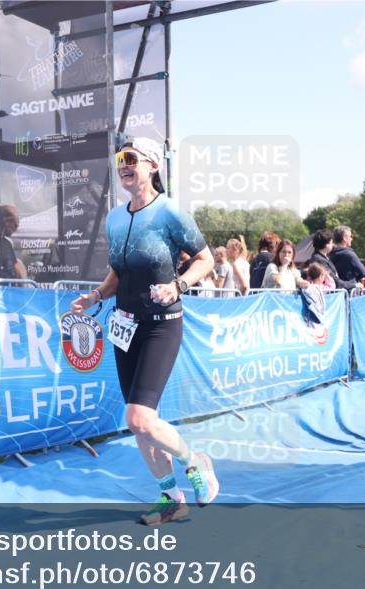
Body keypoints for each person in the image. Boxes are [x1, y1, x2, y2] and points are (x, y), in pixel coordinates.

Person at [70, 137, 218, 525]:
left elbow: (206, 259)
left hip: (161, 325)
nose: (124, 164)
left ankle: (194, 462)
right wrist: (97, 296)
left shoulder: (170, 212)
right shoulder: (115, 218)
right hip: (125, 326)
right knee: (142, 426)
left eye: (131, 158)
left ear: (152, 165)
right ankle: (172, 499)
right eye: (120, 159)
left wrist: (179, 285)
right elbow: (120, 269)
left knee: (138, 417)